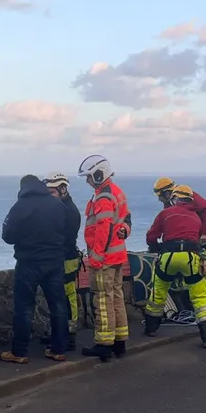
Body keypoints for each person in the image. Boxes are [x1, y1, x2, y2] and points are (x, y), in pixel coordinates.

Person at [0, 174, 78, 363]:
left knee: (24, 307)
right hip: (55, 262)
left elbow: (7, 235)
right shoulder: (58, 205)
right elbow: (68, 233)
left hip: (29, 262)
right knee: (58, 306)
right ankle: (58, 349)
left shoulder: (21, 206)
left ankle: (19, 352)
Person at [144, 185, 206, 348]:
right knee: (201, 296)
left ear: (175, 199)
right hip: (191, 258)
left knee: (158, 292)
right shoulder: (196, 217)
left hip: (168, 257)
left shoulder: (166, 213)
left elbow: (151, 236)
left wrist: (154, 247)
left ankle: (151, 328)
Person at [79, 154, 132, 362]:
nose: (87, 181)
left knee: (102, 300)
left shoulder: (103, 197)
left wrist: (96, 257)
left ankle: (104, 344)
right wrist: (125, 230)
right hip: (118, 256)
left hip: (105, 259)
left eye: (89, 176)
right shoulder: (117, 192)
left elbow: (104, 228)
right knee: (116, 297)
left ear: (99, 174)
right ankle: (120, 342)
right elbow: (126, 219)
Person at [153, 176, 206, 316]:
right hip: (192, 242)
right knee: (192, 273)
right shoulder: (171, 204)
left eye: (160, 196)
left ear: (166, 193)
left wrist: (204, 233)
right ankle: (195, 308)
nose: (159, 200)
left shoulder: (186, 195)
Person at [44, 172, 83, 333]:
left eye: (52, 192)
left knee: (68, 295)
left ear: (63, 189)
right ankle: (61, 329)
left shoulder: (69, 211)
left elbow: (65, 237)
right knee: (60, 296)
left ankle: (69, 329)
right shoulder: (62, 207)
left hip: (67, 258)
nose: (50, 196)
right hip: (62, 257)